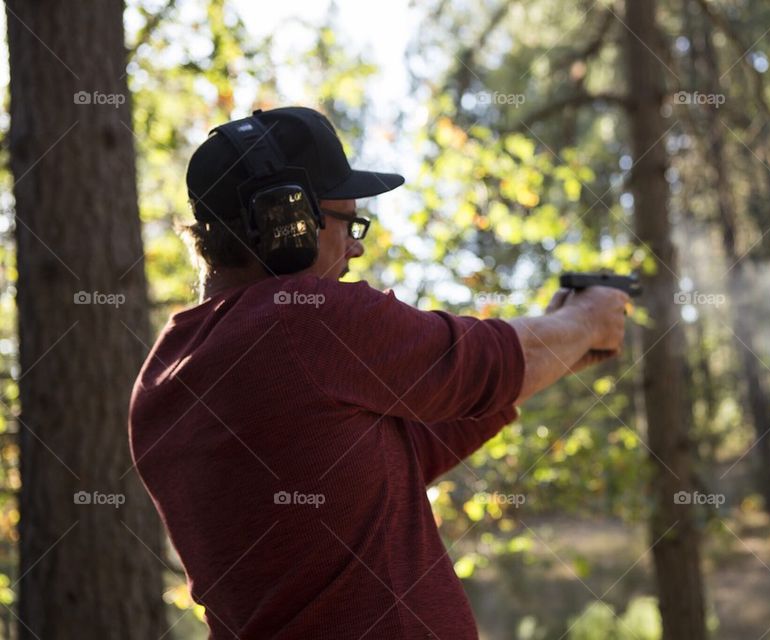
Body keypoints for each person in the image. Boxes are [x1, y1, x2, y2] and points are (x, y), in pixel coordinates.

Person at [128, 106, 628, 639]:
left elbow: (397, 454)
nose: (356, 246)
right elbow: (481, 363)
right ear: (286, 220)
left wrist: (560, 342)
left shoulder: (162, 377)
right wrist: (586, 320)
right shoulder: (301, 316)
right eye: (347, 222)